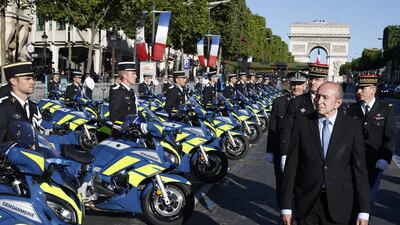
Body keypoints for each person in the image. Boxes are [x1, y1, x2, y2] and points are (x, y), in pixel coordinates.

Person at [280, 82, 370, 225]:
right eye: (317, 96)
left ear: (338, 103)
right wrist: (286, 207)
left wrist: (364, 210)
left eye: (325, 98)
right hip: (307, 202)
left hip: (340, 203)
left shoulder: (352, 127)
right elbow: (292, 165)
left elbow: (360, 170)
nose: (319, 101)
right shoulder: (302, 123)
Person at [347, 74, 397, 204]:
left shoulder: (386, 110)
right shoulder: (353, 109)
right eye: (358, 88)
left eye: (362, 88)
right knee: (352, 196)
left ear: (373, 90)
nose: (358, 91)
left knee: (369, 197)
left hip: (375, 161)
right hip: (354, 160)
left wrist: (385, 157)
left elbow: (390, 137)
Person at [266, 71, 307, 207]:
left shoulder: (310, 103)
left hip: (302, 152)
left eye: (299, 84)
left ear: (305, 85)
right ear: (289, 84)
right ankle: (284, 213)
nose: (296, 87)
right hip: (281, 149)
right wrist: (270, 151)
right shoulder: (279, 102)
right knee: (282, 185)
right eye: (294, 84)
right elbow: (273, 128)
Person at [280, 64, 329, 170]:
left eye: (317, 79)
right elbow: (287, 129)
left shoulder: (335, 102)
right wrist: (284, 154)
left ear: (326, 80)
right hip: (301, 156)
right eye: (311, 78)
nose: (312, 82)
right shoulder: (296, 102)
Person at [0, 62, 42, 142]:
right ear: (13, 81)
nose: (33, 82)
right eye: (27, 79)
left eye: (33, 78)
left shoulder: (34, 107)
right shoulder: (3, 108)